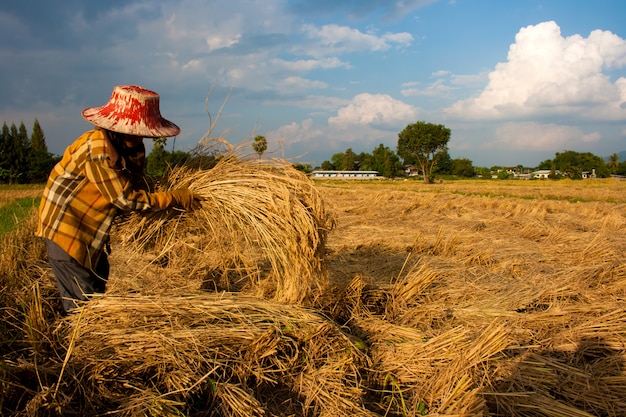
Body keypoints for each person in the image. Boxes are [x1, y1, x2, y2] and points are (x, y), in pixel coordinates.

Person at [36, 85, 201, 313]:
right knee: (82, 306)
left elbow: (127, 182)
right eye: (136, 131)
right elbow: (125, 199)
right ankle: (78, 343)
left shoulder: (120, 146)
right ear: (119, 127)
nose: (140, 136)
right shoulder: (99, 150)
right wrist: (175, 198)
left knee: (97, 283)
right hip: (67, 230)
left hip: (89, 232)